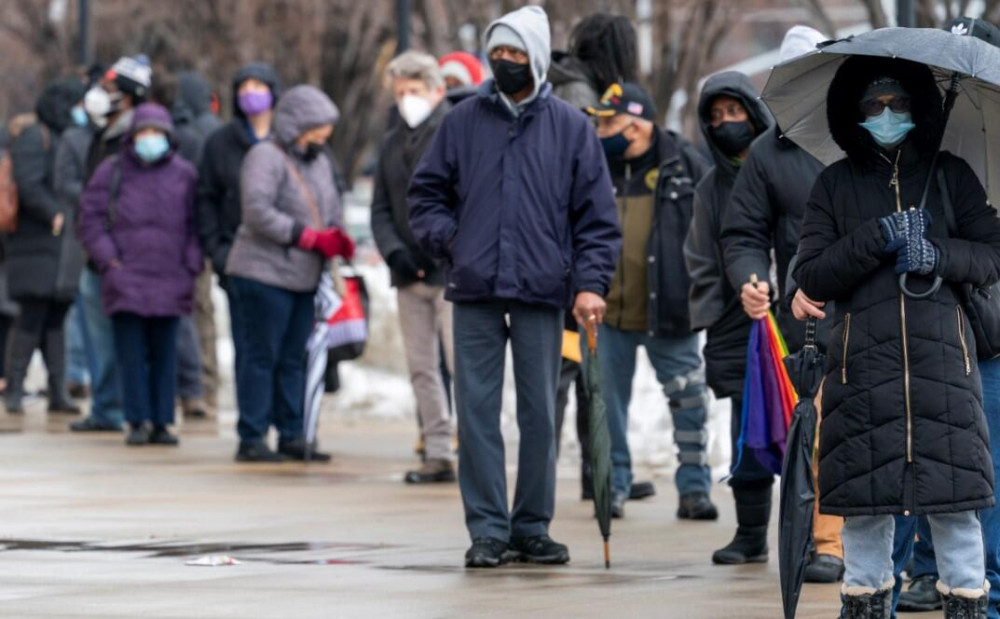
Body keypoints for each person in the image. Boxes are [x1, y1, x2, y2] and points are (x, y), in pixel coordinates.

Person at [409, 6, 620, 568]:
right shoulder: (460, 121)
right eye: (496, 53)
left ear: (538, 59)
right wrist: (453, 241)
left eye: (515, 55)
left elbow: (597, 219)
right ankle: (486, 530)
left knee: (538, 414)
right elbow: (425, 194)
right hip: (475, 287)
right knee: (475, 412)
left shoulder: (572, 128)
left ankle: (531, 526)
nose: (503, 63)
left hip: (542, 289)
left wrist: (590, 283)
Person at [794, 55, 1000, 618]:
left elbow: (992, 255)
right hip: (861, 371)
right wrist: (877, 238)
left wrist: (938, 255)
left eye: (898, 103)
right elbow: (811, 272)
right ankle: (864, 606)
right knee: (865, 508)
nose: (887, 113)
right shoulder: (833, 184)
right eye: (874, 105)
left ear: (918, 107)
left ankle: (966, 605)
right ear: (854, 113)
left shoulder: (950, 174)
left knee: (957, 507)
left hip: (944, 369)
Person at [719, 25, 847, 583]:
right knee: (818, 429)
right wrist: (751, 278)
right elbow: (743, 230)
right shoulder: (769, 153)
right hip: (805, 315)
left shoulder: (861, 138)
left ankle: (866, 543)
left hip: (871, 306)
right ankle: (824, 542)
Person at [889, 17, 1000, 619]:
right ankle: (928, 571)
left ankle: (988, 580)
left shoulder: (985, 149)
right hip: (921, 333)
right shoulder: (911, 154)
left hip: (985, 330)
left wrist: (941, 251)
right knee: (928, 462)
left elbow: (989, 254)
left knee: (981, 467)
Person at [586, 82, 711, 520]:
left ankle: (695, 488)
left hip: (670, 308)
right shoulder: (594, 167)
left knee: (689, 401)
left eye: (609, 123)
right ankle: (615, 484)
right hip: (609, 311)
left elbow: (711, 227)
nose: (600, 131)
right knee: (606, 404)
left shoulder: (684, 164)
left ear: (637, 126)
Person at [549, 12, 652, 503]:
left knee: (581, 372)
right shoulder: (581, 97)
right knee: (574, 373)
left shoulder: (568, 85)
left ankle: (600, 475)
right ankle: (581, 479)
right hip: (571, 261)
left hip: (567, 256)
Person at [225, 85, 353, 463]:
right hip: (261, 273)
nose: (324, 135)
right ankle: (252, 436)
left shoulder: (320, 161)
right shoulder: (264, 156)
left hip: (303, 276)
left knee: (294, 356)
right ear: (299, 124)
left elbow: (331, 205)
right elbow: (257, 211)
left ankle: (292, 433)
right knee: (260, 355)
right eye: (318, 128)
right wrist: (308, 237)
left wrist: (338, 237)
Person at [683, 72, 774, 563]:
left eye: (734, 112)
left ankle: (825, 539)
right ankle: (751, 533)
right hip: (737, 323)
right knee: (750, 434)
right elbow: (698, 256)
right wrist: (721, 308)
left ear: (754, 112)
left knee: (815, 437)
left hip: (794, 314)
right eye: (715, 117)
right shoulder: (709, 187)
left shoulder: (786, 163)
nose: (725, 124)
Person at [77, 103, 200, 446]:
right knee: (130, 354)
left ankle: (162, 421)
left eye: (156, 133)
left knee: (165, 354)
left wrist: (191, 262)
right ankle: (136, 420)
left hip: (171, 277)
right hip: (126, 277)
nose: (150, 139)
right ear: (132, 136)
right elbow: (90, 219)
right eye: (143, 132)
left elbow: (196, 223)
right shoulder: (112, 170)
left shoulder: (185, 174)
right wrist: (109, 261)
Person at [371, 51, 456, 485]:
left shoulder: (455, 133)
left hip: (450, 272)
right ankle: (438, 450)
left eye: (414, 91)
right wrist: (394, 252)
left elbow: (462, 201)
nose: (406, 99)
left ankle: (477, 448)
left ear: (436, 91)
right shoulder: (390, 143)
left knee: (464, 364)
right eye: (400, 91)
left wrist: (438, 249)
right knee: (422, 367)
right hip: (408, 275)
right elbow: (381, 208)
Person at [197, 63, 282, 452]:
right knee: (250, 350)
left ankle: (291, 429)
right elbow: (206, 201)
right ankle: (252, 431)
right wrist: (218, 251)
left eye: (258, 86)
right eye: (243, 86)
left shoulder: (288, 137)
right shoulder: (219, 143)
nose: (251, 93)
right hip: (240, 263)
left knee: (286, 350)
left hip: (288, 263)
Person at [71, 55, 152, 433]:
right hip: (98, 253)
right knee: (99, 338)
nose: (103, 96)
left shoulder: (136, 136)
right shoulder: (103, 135)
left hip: (120, 255)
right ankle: (106, 406)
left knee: (118, 337)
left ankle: (119, 407)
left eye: (111, 89)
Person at [4, 77, 88, 416]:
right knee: (31, 317)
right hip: (35, 243)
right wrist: (53, 212)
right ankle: (14, 386)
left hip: (60, 245)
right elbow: (27, 182)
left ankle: (58, 390)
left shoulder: (63, 137)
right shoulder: (33, 137)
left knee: (55, 318)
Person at [56, 82, 97, 402]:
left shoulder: (114, 137)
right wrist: (92, 200)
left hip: (106, 233)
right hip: (79, 233)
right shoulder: (72, 138)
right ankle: (75, 374)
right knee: (78, 305)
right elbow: (63, 181)